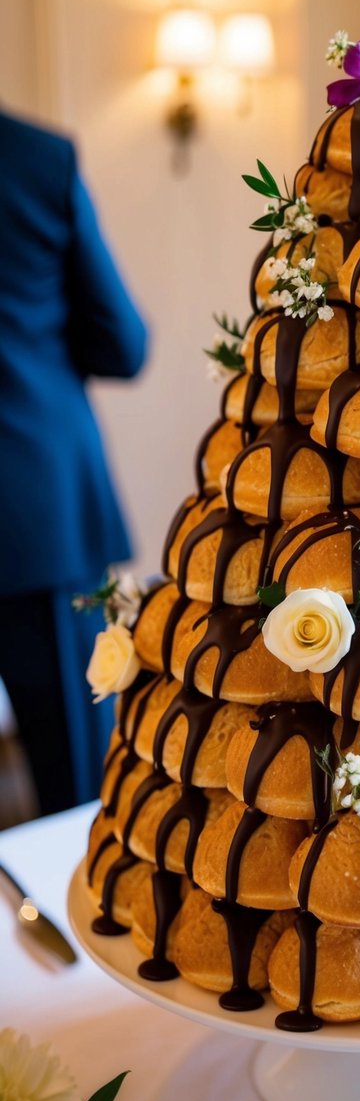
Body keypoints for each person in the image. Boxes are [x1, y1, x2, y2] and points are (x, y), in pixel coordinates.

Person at [0, 109, 148, 815]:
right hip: (34, 502)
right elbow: (123, 345)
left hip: (40, 512)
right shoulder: (34, 158)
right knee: (78, 787)